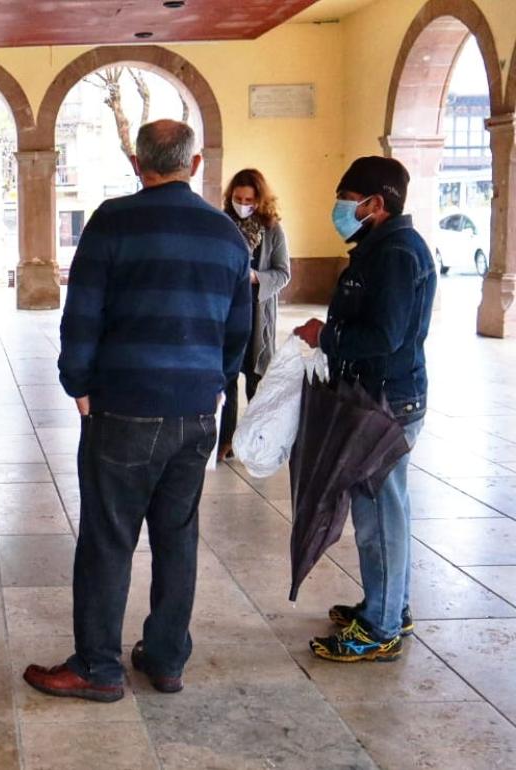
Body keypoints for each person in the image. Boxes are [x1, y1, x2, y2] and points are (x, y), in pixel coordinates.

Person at [23, 120, 252, 702]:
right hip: (196, 413)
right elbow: (238, 332)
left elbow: (83, 315)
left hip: (123, 408)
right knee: (177, 537)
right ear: (194, 164)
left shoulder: (113, 221)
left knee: (108, 537)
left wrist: (78, 381)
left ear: (136, 162)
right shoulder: (227, 233)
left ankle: (98, 667)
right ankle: (167, 658)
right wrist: (212, 386)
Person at [294, 156, 435, 663]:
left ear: (376, 203)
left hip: (389, 400)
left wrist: (324, 336)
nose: (341, 208)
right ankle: (389, 605)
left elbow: (384, 337)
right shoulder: (380, 247)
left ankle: (381, 626)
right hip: (377, 395)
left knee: (380, 511)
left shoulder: (396, 253)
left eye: (347, 199)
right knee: (379, 505)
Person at [218, 168, 292, 459]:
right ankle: (226, 440)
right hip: (228, 310)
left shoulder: (272, 230)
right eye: (238, 198)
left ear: (260, 200)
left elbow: (283, 272)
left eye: (249, 199)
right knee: (227, 376)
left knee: (257, 377)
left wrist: (255, 277)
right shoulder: (222, 224)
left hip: (258, 310)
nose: (243, 203)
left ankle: (256, 442)